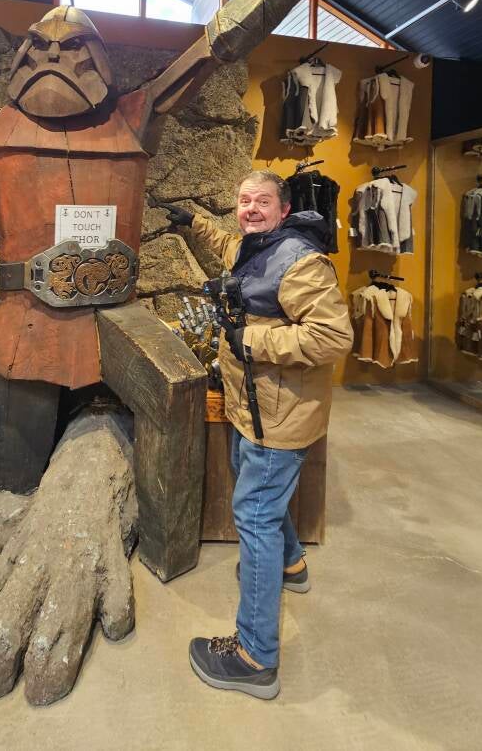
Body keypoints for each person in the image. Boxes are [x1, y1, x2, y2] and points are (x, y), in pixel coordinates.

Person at [163, 170, 353, 699]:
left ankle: (254, 657)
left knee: (255, 516)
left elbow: (333, 337)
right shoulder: (259, 246)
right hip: (258, 407)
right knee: (262, 502)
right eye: (244, 200)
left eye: (262, 201)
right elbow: (231, 246)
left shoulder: (302, 263)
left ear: (284, 209)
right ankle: (291, 564)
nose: (250, 209)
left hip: (278, 414)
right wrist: (194, 222)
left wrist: (251, 339)